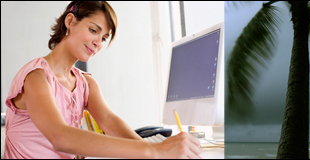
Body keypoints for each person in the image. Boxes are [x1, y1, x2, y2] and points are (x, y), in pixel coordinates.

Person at [4, 1, 201, 159]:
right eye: (93, 30)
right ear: (70, 21)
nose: (98, 43)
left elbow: (108, 120)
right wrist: (155, 151)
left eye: (104, 37)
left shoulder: (86, 83)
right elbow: (60, 137)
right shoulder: (36, 77)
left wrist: (150, 151)